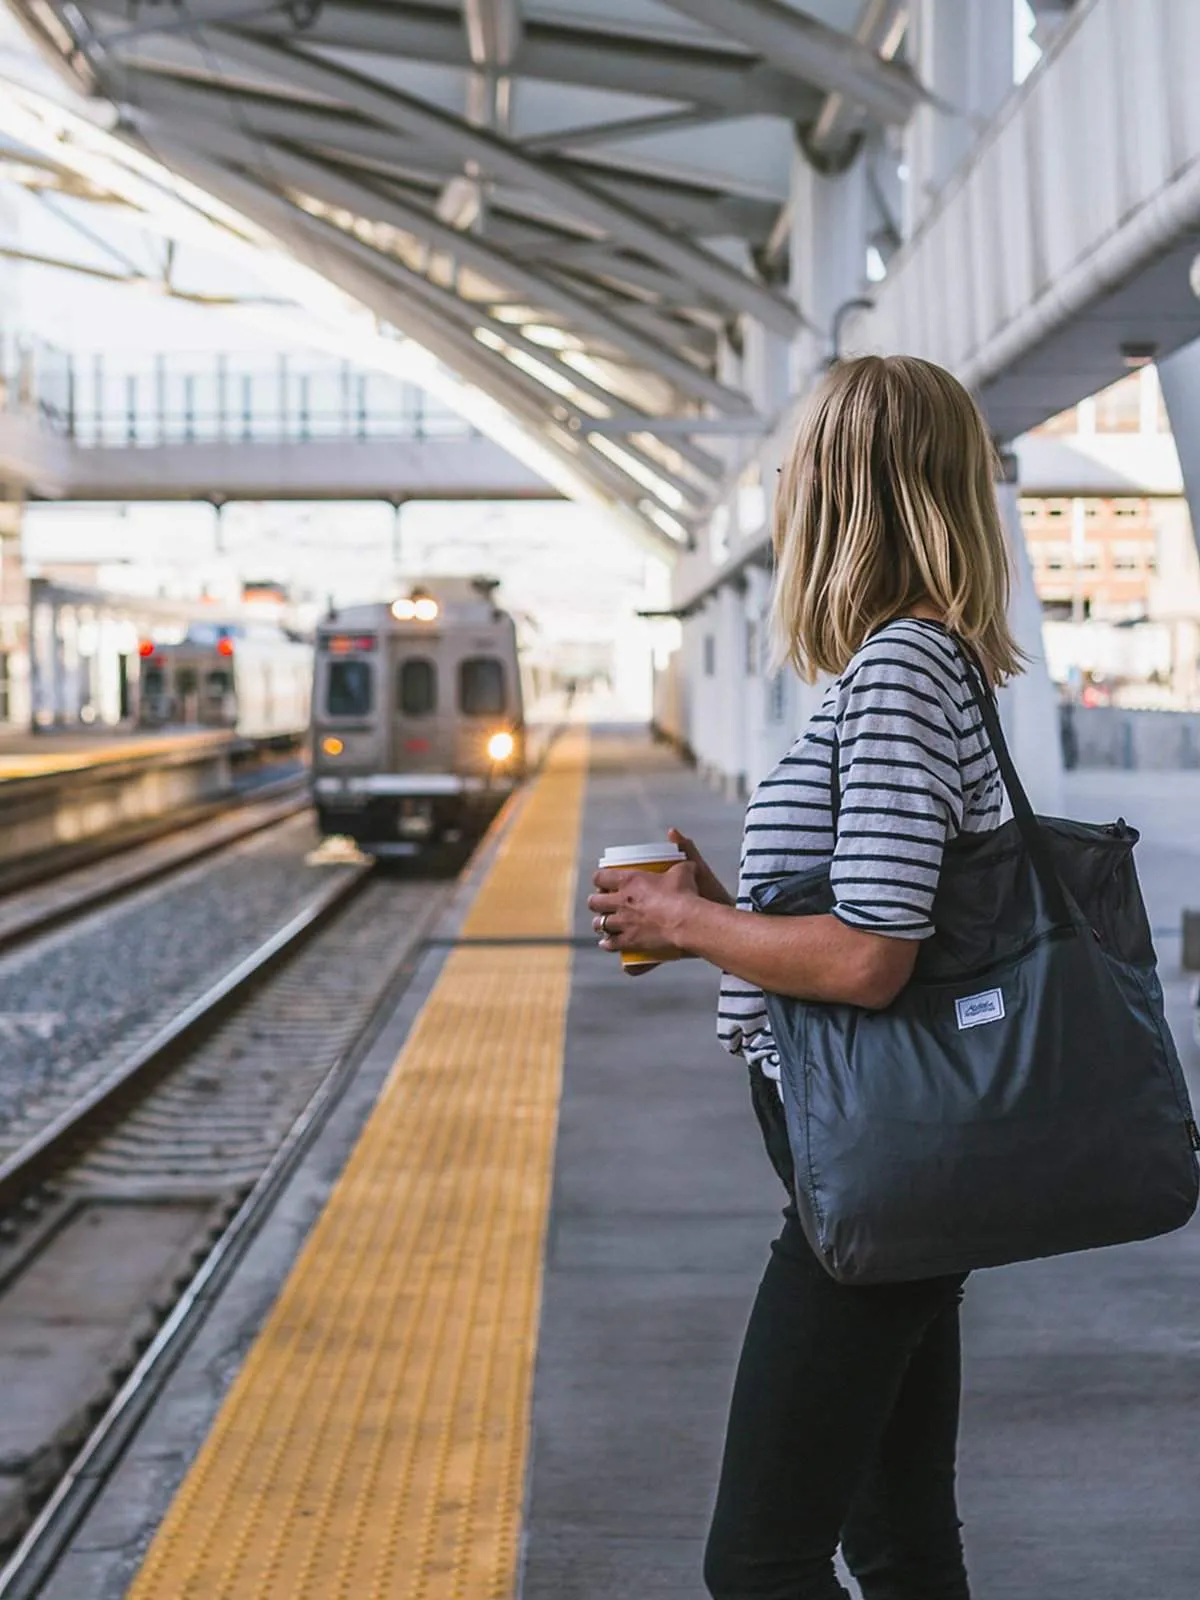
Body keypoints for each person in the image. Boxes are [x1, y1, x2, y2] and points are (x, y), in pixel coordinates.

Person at [589, 354, 1026, 1600]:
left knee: (762, 1561)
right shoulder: (917, 665)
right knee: (898, 1547)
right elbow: (876, 918)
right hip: (890, 1169)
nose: (781, 490)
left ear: (846, 489)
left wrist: (693, 928)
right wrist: (722, 911)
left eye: (795, 465)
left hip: (876, 1180)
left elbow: (871, 961)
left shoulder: (898, 672)